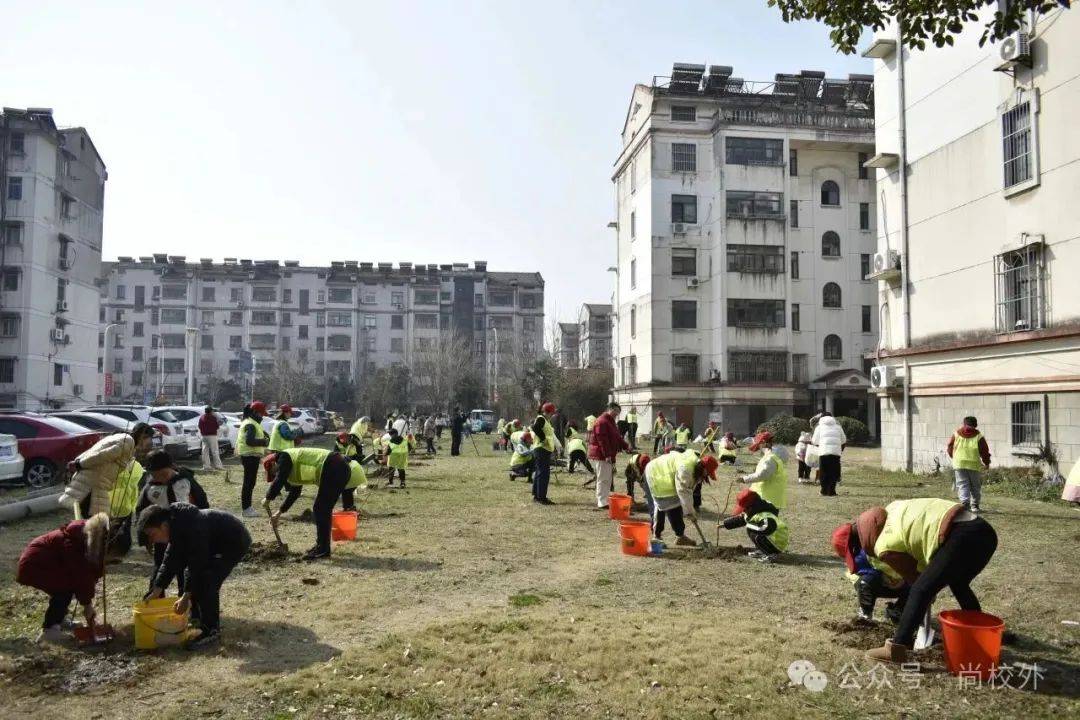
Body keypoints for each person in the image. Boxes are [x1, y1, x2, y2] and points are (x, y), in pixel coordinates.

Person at [843, 498, 998, 664]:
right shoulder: (894, 509)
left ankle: (897, 648)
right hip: (983, 531)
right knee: (958, 583)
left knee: (920, 589)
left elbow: (915, 579)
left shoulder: (884, 545)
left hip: (961, 535)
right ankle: (981, 633)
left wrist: (925, 590)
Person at [138, 503, 252, 647]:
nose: (153, 540)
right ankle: (198, 618)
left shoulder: (193, 527)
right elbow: (170, 560)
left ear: (164, 525)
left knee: (207, 579)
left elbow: (197, 563)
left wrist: (185, 597)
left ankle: (211, 630)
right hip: (212, 545)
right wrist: (157, 590)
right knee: (196, 579)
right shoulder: (177, 527)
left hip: (233, 542)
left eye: (152, 534)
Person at [17, 512, 109, 644]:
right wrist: (87, 605)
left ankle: (60, 620)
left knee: (66, 585)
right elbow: (80, 575)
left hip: (49, 564)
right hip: (34, 566)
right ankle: (50, 631)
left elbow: (88, 572)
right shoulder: (73, 543)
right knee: (64, 589)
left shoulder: (83, 537)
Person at [262, 448, 366, 560]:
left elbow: (279, 479)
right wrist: (278, 513)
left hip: (334, 466)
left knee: (321, 508)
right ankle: (321, 547)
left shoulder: (283, 457)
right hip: (336, 467)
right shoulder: (290, 467)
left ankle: (322, 549)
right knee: (321, 508)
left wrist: (268, 497)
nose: (274, 475)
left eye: (273, 472)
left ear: (273, 463)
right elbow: (294, 493)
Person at [135, 450, 211, 597]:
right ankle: (155, 600)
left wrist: (203, 529)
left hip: (186, 533)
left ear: (172, 467)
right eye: (156, 475)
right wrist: (144, 538)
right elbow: (141, 512)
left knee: (186, 569)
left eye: (164, 474)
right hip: (161, 534)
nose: (161, 478)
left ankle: (187, 602)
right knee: (161, 567)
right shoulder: (149, 487)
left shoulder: (185, 480)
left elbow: (202, 502)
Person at [59, 422, 156, 518]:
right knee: (96, 525)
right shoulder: (128, 441)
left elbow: (94, 451)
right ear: (143, 436)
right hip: (93, 486)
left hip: (91, 484)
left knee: (96, 522)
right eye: (149, 439)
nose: (149, 443)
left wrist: (78, 462)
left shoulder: (119, 437)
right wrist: (79, 464)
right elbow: (101, 456)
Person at [831, 523, 908, 623]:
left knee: (919, 584)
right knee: (866, 581)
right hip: (884, 583)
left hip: (903, 581)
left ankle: (898, 611)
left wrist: (901, 578)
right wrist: (886, 578)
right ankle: (865, 615)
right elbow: (867, 578)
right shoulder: (860, 557)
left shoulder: (879, 541)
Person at [645, 449, 717, 547]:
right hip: (656, 472)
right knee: (660, 504)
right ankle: (656, 537)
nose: (707, 475)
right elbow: (683, 492)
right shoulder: (686, 469)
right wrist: (690, 512)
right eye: (707, 473)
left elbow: (687, 493)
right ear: (703, 468)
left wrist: (689, 509)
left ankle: (680, 536)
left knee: (675, 504)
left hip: (668, 475)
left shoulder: (695, 465)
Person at [721, 488, 790, 563]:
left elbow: (767, 528)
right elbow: (742, 519)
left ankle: (771, 554)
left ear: (751, 507)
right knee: (752, 530)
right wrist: (725, 524)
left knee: (755, 533)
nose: (743, 511)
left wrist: (750, 525)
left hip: (778, 541)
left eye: (744, 509)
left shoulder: (764, 515)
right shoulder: (753, 511)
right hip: (771, 538)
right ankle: (763, 550)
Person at [946, 416, 991, 514]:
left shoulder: (956, 434)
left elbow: (950, 447)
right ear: (975, 425)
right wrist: (987, 463)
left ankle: (965, 504)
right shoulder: (979, 436)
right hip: (974, 465)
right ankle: (974, 506)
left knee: (963, 484)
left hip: (959, 464)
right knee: (975, 486)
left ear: (964, 424)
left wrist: (954, 457)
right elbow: (984, 451)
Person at [589, 401, 630, 509]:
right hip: (602, 455)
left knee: (607, 478)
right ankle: (602, 501)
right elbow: (602, 440)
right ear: (609, 409)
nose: (617, 414)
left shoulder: (610, 422)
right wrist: (607, 455)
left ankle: (605, 499)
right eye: (615, 411)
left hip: (608, 455)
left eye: (618, 412)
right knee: (603, 478)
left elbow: (617, 437)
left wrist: (626, 446)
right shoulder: (602, 421)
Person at [737, 431, 788, 514]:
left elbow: (762, 475)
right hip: (769, 497)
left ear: (764, 443)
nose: (759, 448)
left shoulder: (770, 458)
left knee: (761, 524)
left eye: (759, 445)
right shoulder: (772, 457)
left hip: (766, 499)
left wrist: (744, 479)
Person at [106, 453, 145, 558]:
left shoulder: (109, 464)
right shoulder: (135, 465)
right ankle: (117, 548)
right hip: (122, 503)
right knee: (119, 528)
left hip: (120, 503)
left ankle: (120, 548)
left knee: (119, 528)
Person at [237, 402, 269, 517]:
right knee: (249, 483)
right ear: (255, 412)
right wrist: (263, 442)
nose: (262, 417)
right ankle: (246, 509)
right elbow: (249, 441)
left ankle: (248, 508)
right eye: (261, 414)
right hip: (249, 456)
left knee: (250, 482)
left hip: (250, 456)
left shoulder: (251, 423)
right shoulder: (251, 424)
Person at [531, 402, 561, 505]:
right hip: (541, 449)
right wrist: (543, 439)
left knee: (540, 473)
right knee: (544, 474)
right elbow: (535, 428)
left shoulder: (545, 420)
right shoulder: (541, 419)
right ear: (549, 412)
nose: (553, 415)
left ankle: (537, 496)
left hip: (542, 450)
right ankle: (542, 498)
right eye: (552, 413)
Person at [811, 412, 846, 496]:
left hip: (823, 452)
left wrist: (820, 445)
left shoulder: (819, 427)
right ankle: (832, 491)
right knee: (833, 472)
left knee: (824, 472)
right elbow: (844, 440)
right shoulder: (838, 427)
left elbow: (814, 441)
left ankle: (823, 491)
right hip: (835, 453)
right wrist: (839, 450)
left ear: (821, 418)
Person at [199, 406, 225, 471]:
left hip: (204, 436)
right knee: (215, 451)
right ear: (211, 411)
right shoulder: (213, 417)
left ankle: (206, 466)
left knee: (205, 451)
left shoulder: (202, 417)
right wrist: (217, 417)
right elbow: (218, 425)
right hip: (212, 436)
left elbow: (199, 426)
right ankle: (218, 466)